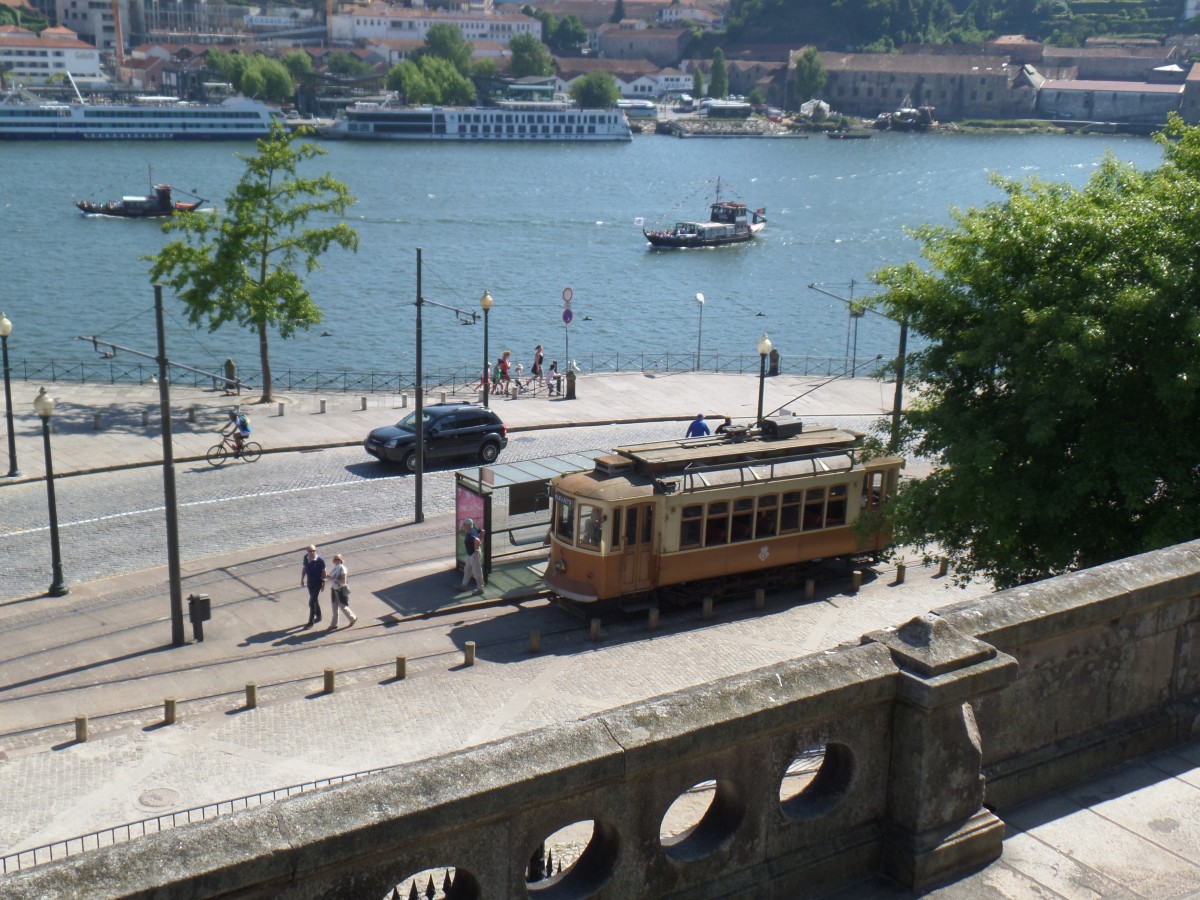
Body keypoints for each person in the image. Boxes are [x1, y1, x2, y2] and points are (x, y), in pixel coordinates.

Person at [327, 553, 357, 629]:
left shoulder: (343, 569)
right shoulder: (335, 568)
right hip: (334, 589)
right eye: (335, 560)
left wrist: (333, 579)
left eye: (338, 560)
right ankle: (334, 624)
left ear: (341, 561)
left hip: (340, 590)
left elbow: (343, 581)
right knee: (334, 607)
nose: (337, 561)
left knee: (343, 606)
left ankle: (352, 618)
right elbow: (331, 577)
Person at [300, 545, 326, 628]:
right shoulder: (306, 558)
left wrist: (323, 584)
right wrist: (302, 579)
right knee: (314, 599)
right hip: (310, 582)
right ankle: (319, 616)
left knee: (311, 602)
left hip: (318, 582)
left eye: (313, 551)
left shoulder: (320, 560)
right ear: (307, 551)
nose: (312, 552)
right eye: (310, 551)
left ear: (316, 551)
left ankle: (310, 622)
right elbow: (304, 568)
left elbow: (324, 573)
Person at [459, 518, 485, 593]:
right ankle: (464, 585)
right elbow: (482, 531)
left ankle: (480, 589)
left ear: (467, 525)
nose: (463, 526)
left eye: (464, 525)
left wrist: (476, 547)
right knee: (467, 569)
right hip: (470, 554)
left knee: (477, 571)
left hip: (474, 554)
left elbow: (477, 540)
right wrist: (480, 540)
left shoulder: (470, 534)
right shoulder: (473, 529)